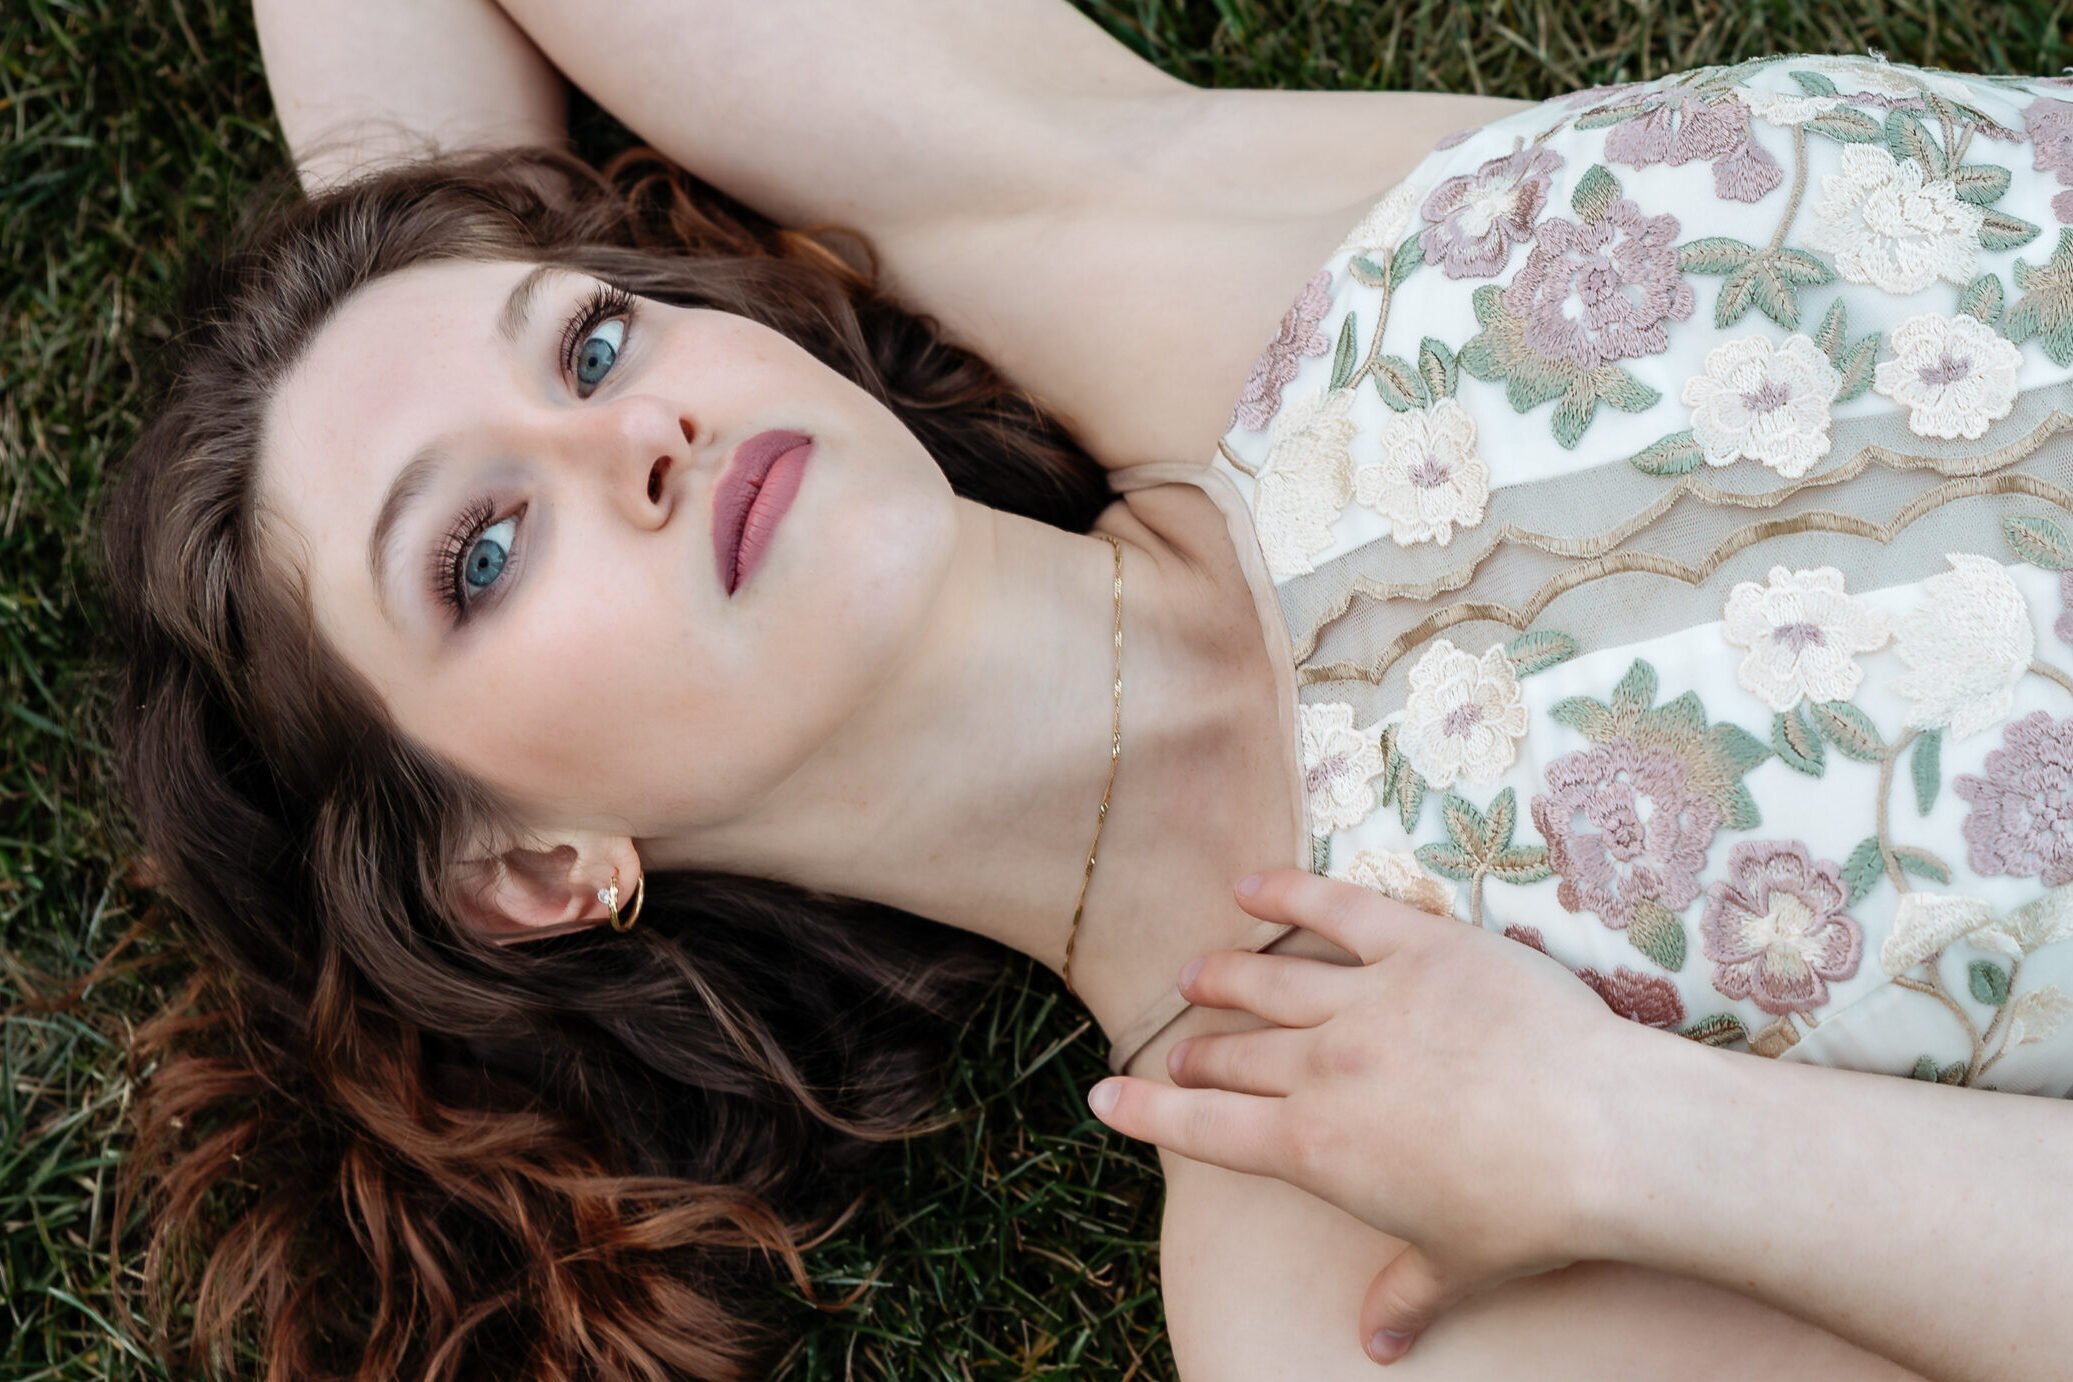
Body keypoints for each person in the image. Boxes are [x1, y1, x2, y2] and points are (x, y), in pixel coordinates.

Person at [103, 1, 2072, 1378]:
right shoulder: (1326, 1244)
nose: (635, 437)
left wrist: (384, 284)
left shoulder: (1124, 232)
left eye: (599, 342)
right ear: (529, 868)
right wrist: (1638, 1144)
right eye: (478, 551)